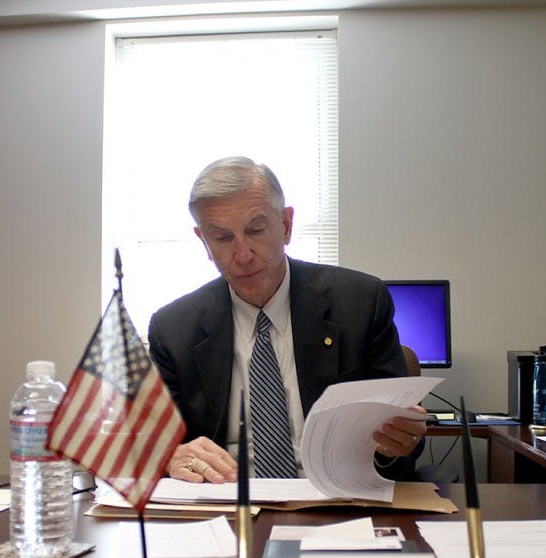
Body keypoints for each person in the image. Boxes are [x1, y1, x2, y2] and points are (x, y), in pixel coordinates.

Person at [147, 156, 426, 484]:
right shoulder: (174, 329)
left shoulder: (361, 303)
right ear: (204, 242)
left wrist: (396, 444)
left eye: (256, 230)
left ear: (287, 225)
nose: (243, 254)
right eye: (223, 238)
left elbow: (399, 447)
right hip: (224, 504)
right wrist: (173, 457)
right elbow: (159, 445)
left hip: (335, 500)